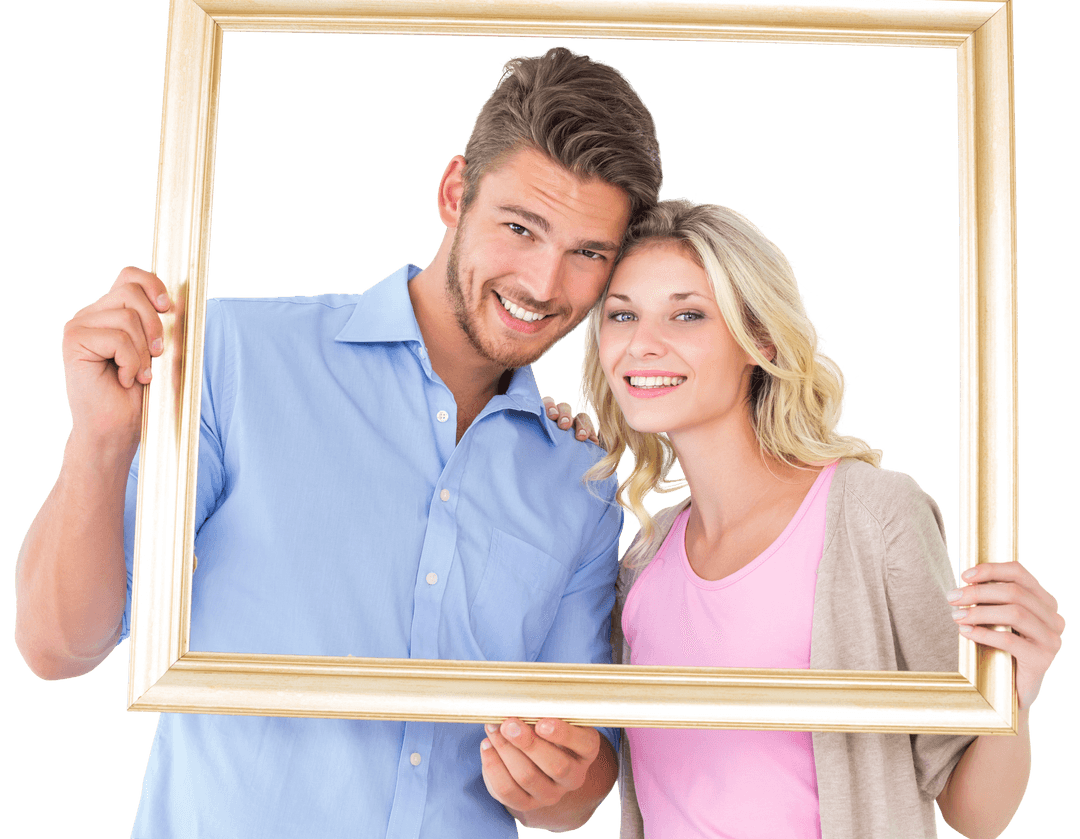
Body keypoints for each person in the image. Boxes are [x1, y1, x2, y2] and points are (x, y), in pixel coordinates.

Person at [13, 46, 665, 838]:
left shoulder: (584, 478)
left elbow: (576, 791)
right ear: (455, 191)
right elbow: (57, 647)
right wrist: (98, 438)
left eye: (587, 253)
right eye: (521, 227)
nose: (542, 283)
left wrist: (556, 779)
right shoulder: (236, 358)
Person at [558, 198, 1064, 838]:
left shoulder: (873, 517)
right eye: (621, 314)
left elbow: (975, 813)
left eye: (687, 314)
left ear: (759, 341)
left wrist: (1015, 691)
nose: (642, 344)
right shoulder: (641, 566)